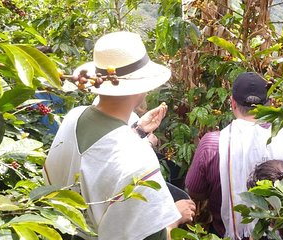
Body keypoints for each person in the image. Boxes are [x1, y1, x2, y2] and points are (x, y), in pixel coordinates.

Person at [43, 31, 195, 240]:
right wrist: (174, 218)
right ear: (143, 87)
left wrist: (138, 131)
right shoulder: (138, 160)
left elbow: (93, 161)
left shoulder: (73, 118)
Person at [185, 72, 283, 239]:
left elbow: (196, 192)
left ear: (232, 103)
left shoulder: (213, 144)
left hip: (228, 234)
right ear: (270, 103)